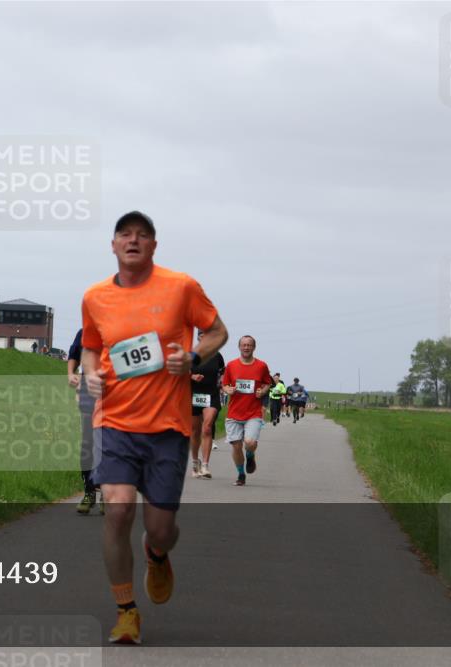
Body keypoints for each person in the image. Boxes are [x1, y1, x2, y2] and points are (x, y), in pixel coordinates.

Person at [82, 211, 228, 645]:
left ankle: (156, 552)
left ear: (153, 246)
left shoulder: (181, 287)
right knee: (119, 508)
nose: (133, 241)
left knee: (161, 527)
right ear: (112, 245)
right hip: (115, 421)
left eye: (142, 235)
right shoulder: (94, 297)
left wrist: (194, 357)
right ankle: (126, 611)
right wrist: (91, 375)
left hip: (167, 425)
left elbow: (217, 332)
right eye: (124, 235)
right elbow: (91, 348)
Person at [222, 336, 273, 487]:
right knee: (236, 446)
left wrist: (262, 392)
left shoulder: (262, 366)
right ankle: (241, 474)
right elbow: (224, 384)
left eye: (249, 345)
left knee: (249, 443)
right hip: (234, 413)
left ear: (254, 347)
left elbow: (267, 383)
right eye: (243, 345)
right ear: (239, 347)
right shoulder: (231, 365)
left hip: (253, 412)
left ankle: (250, 455)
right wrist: (228, 390)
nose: (246, 347)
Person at [68, 328, 103, 514]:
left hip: (114, 390)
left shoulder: (121, 326)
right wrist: (70, 373)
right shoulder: (84, 331)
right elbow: (74, 354)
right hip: (88, 390)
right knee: (87, 442)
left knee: (107, 441)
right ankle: (89, 492)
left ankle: (107, 492)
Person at [189, 330, 225, 480]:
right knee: (195, 431)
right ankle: (195, 462)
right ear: (198, 337)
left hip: (211, 394)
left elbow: (222, 372)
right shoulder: (190, 354)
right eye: (202, 336)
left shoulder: (217, 355)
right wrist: (192, 376)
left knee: (207, 427)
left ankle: (205, 465)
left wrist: (223, 381)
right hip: (193, 395)